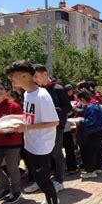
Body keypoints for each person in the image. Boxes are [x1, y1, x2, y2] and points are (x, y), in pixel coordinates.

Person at [3, 61, 63, 204]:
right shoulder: (28, 94)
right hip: (31, 143)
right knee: (38, 177)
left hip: (42, 146)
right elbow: (30, 116)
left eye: (13, 77)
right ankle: (48, 199)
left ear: (25, 76)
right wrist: (12, 117)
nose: (11, 80)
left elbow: (54, 121)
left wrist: (26, 128)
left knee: (43, 178)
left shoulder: (42, 95)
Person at [32, 65, 72, 193]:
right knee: (44, 154)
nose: (35, 79)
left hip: (57, 127)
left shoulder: (58, 88)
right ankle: (46, 179)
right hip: (43, 126)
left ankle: (59, 180)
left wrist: (51, 111)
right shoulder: (39, 90)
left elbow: (68, 108)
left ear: (45, 74)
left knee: (56, 153)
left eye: (36, 76)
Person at [74, 89, 102, 178]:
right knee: (97, 150)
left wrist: (80, 121)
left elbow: (90, 121)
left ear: (82, 99)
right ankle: (97, 168)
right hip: (100, 130)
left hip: (93, 132)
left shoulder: (90, 107)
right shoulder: (96, 104)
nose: (80, 102)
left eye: (79, 100)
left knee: (89, 152)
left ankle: (90, 171)